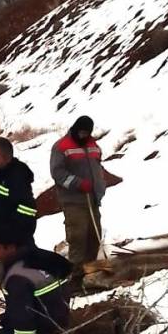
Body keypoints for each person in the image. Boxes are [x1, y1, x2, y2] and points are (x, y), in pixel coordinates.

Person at [50, 115, 106, 269]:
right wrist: (78, 183)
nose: (82, 136)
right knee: (78, 237)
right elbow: (57, 173)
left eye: (86, 133)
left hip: (92, 199)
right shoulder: (61, 147)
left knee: (94, 236)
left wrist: (100, 186)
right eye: (80, 132)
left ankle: (91, 270)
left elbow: (97, 167)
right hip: (73, 201)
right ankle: (75, 274)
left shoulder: (93, 145)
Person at [0, 136, 37, 248]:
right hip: (3, 247)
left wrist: (8, 241)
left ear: (8, 158)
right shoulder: (4, 178)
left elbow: (28, 209)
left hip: (13, 248)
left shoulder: (16, 178)